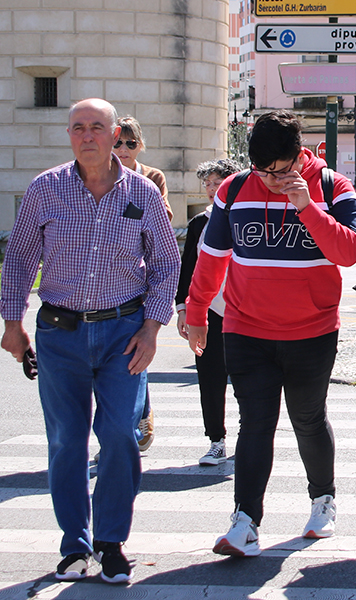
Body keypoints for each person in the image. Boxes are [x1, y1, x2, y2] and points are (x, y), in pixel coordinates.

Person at [0, 98, 180, 583]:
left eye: (96, 127)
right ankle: (75, 545)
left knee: (121, 434)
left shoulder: (142, 191)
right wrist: (12, 323)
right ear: (69, 134)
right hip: (61, 334)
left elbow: (166, 263)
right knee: (65, 441)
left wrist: (152, 328)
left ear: (115, 132)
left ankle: (111, 542)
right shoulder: (46, 189)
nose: (87, 136)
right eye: (78, 127)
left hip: (125, 333)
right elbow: (18, 260)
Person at [186, 110, 356, 556]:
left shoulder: (333, 187)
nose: (270, 180)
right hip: (247, 329)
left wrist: (306, 206)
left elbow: (348, 252)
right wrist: (197, 311)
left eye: (280, 171)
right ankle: (245, 520)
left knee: (307, 418)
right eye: (261, 170)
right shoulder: (234, 189)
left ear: (298, 156)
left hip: (312, 329)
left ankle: (323, 499)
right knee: (255, 424)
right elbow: (212, 256)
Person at [176, 158, 243, 466]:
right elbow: (187, 267)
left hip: (245, 309)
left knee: (247, 377)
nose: (212, 189)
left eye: (218, 183)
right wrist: (183, 309)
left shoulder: (245, 216)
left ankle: (249, 434)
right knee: (210, 376)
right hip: (208, 310)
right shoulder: (199, 223)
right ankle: (216, 439)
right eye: (208, 183)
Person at [113, 115, 170, 453]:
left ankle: (140, 416)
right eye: (118, 142)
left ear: (140, 146)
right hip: (107, 279)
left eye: (130, 143)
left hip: (142, 277)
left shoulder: (151, 178)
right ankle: (125, 424)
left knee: (134, 350)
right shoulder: (96, 177)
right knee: (114, 358)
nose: (123, 149)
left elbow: (161, 220)